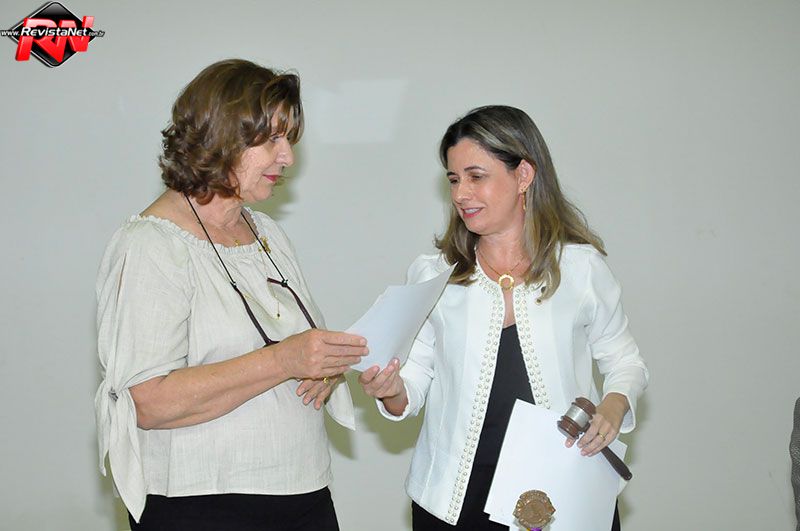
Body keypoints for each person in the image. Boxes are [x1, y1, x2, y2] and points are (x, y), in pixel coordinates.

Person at [94, 59, 367, 531]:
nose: (288, 158)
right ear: (220, 137)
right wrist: (284, 360)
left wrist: (322, 368)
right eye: (272, 140)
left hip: (303, 492)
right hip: (203, 506)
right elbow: (149, 401)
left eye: (289, 139)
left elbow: (295, 348)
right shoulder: (151, 245)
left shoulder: (267, 233)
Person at [359, 105, 649, 530]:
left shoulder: (581, 269)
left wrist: (614, 404)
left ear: (523, 175)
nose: (461, 194)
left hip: (565, 494)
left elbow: (625, 361)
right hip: (453, 502)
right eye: (454, 179)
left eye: (476, 176)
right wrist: (391, 390)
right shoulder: (433, 274)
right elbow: (413, 383)